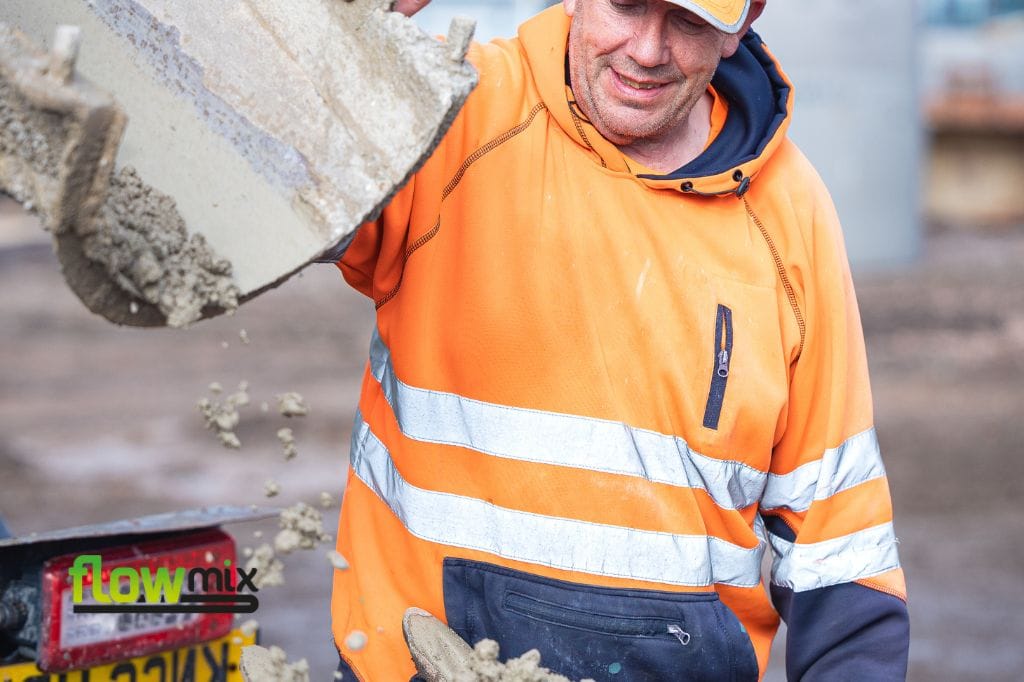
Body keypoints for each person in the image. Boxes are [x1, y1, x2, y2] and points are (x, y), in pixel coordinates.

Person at [326, 0, 910, 678]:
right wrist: (331, 33)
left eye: (690, 21)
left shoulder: (788, 215)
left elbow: (838, 545)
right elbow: (250, 182)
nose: (647, 50)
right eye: (627, 4)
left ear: (741, 24)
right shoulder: (451, 112)